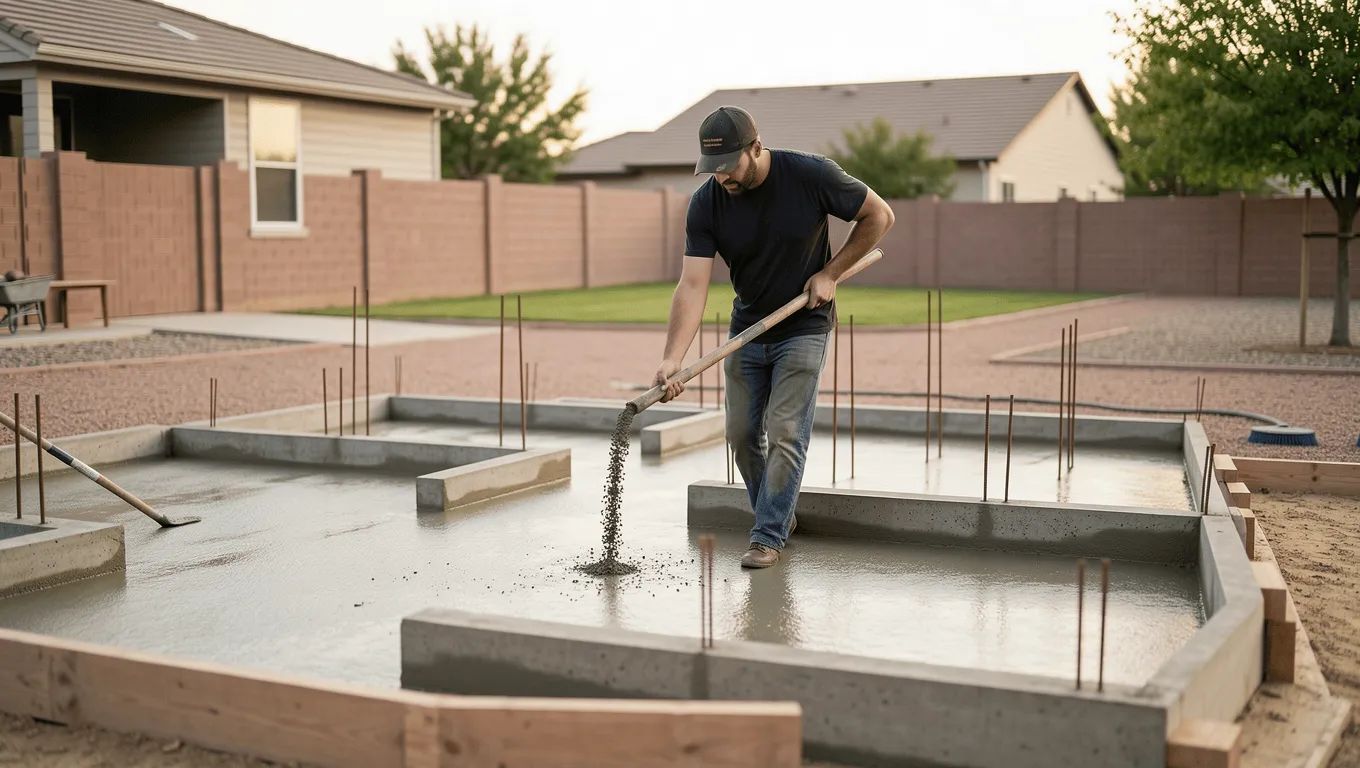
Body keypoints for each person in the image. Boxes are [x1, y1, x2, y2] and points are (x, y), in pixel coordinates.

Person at [652, 106, 894, 568]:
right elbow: (693, 284)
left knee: (785, 430)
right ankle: (779, 514)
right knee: (741, 434)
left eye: (729, 167)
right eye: (712, 168)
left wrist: (831, 272)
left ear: (756, 148)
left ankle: (767, 535)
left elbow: (879, 216)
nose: (721, 177)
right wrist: (672, 359)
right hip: (748, 328)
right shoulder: (707, 203)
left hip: (804, 323)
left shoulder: (810, 174)